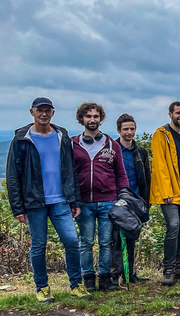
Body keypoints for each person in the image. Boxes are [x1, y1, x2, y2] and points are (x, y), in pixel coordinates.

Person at [6, 97, 91, 302]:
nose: (43, 114)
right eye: (39, 110)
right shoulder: (21, 139)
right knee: (39, 244)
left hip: (61, 200)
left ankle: (77, 285)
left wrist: (74, 201)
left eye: (47, 110)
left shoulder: (62, 136)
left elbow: (70, 170)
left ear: (53, 113)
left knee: (71, 241)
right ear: (32, 112)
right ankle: (42, 288)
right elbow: (12, 175)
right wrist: (18, 207)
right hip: (34, 202)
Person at [72, 102, 129, 292]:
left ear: (101, 119)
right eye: (88, 116)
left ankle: (105, 278)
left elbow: (121, 174)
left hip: (108, 201)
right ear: (82, 119)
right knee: (86, 242)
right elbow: (67, 174)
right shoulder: (72, 144)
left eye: (96, 116)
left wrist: (123, 197)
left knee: (106, 242)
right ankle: (88, 278)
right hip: (83, 203)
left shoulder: (112, 145)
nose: (92, 120)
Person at [151, 101, 180, 286]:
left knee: (179, 229)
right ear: (170, 114)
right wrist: (166, 191)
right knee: (172, 227)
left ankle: (177, 266)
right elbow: (160, 166)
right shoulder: (161, 135)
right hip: (170, 192)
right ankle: (168, 269)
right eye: (178, 113)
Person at [111, 113, 151, 285]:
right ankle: (114, 275)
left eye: (132, 129)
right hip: (116, 199)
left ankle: (130, 273)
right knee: (114, 239)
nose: (129, 132)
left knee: (132, 236)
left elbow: (146, 178)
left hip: (135, 199)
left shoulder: (140, 152)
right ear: (119, 130)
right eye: (125, 129)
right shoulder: (112, 149)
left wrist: (145, 203)